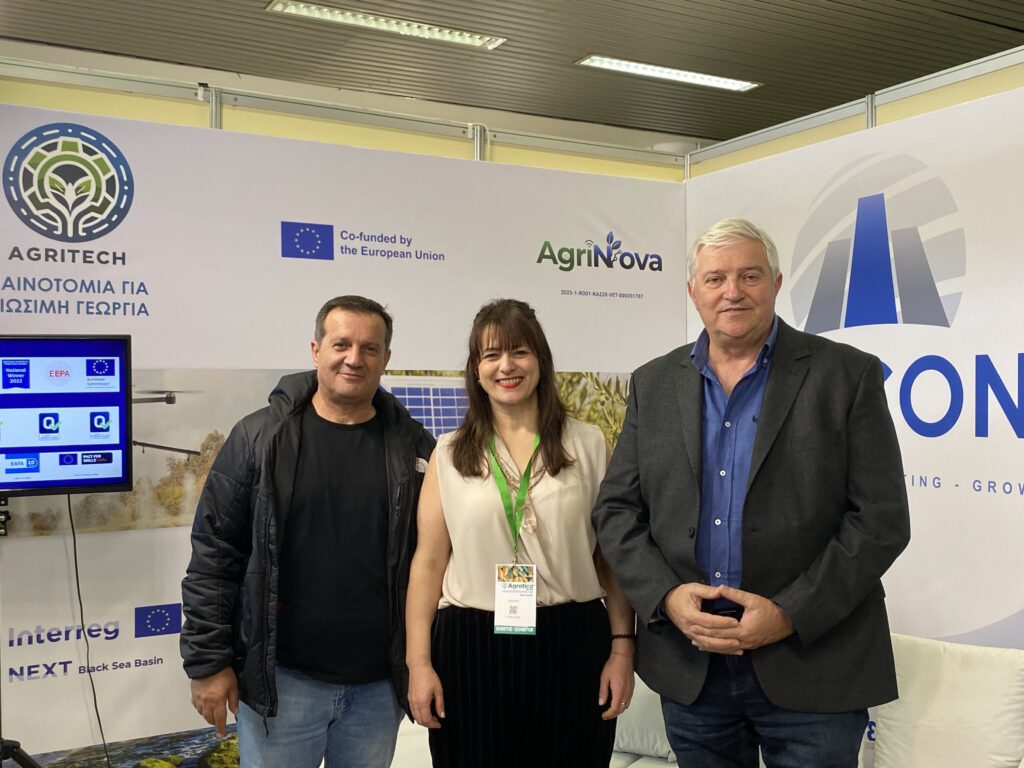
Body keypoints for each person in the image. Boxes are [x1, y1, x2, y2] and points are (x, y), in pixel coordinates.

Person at [592, 218, 911, 768]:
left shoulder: (846, 374)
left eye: (750, 275)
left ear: (777, 283)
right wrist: (667, 597)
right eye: (715, 278)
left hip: (813, 662)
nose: (732, 292)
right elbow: (617, 510)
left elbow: (880, 520)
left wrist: (789, 613)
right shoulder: (653, 383)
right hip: (693, 668)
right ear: (692, 291)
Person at [180, 295, 435, 767]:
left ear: (386, 358)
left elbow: (433, 560)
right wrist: (209, 663)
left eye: (369, 348)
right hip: (283, 684)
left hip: (378, 691)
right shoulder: (258, 439)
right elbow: (215, 554)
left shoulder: (414, 447)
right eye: (341, 344)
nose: (354, 358)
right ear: (316, 350)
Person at [405, 298, 636, 768]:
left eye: (519, 351)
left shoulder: (588, 444)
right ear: (476, 370)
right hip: (471, 647)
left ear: (541, 361)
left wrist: (622, 648)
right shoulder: (448, 453)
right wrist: (419, 663)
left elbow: (609, 558)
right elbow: (428, 563)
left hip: (573, 643)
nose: (506, 366)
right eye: (491, 355)